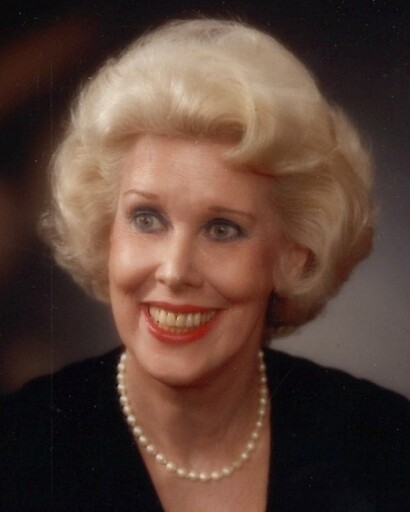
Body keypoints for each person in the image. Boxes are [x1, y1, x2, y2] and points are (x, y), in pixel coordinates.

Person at [0, 18, 408, 512]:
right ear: (106, 233)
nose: (175, 271)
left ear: (294, 255)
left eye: (222, 229)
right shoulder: (18, 448)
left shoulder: (384, 444)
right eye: (146, 219)